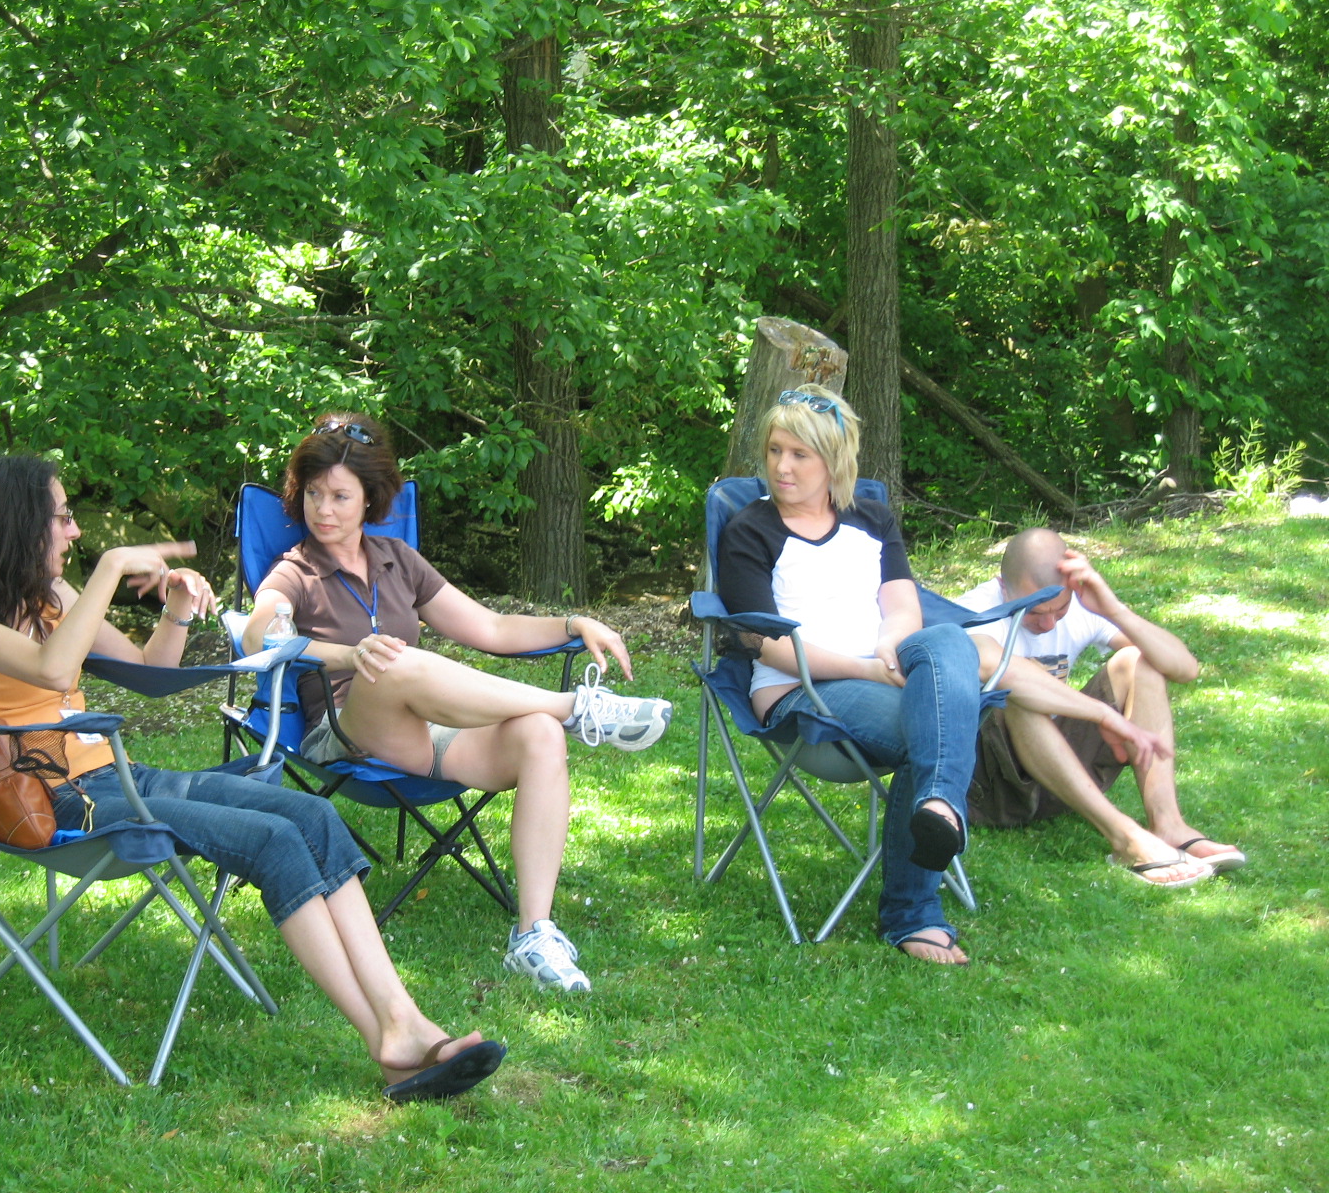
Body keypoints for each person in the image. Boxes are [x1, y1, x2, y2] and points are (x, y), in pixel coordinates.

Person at [0, 454, 505, 1102]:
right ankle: (388, 1039)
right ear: (17, 522)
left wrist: (176, 607)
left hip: (117, 776)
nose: (74, 530)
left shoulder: (52, 598)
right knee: (272, 840)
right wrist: (111, 569)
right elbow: (54, 671)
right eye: (61, 517)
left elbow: (151, 673)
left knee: (312, 814)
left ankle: (405, 1019)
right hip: (56, 801)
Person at [239, 412, 673, 992]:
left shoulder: (397, 559)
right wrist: (349, 654)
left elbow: (491, 628)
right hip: (344, 730)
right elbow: (257, 635)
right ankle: (576, 707)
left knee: (539, 735)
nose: (324, 509)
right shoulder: (296, 570)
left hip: (421, 735)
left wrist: (573, 622)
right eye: (314, 493)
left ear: (370, 499)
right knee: (393, 661)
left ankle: (534, 933)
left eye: (340, 496)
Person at [715, 386, 983, 965]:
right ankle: (912, 913)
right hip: (801, 693)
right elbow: (769, 645)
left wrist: (888, 648)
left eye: (799, 454)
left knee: (947, 640)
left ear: (834, 460)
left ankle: (937, 806)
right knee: (931, 728)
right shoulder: (749, 531)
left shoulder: (872, 519)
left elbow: (902, 605)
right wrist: (867, 670)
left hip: (880, 670)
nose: (782, 467)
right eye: (774, 451)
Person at [960, 528, 1244, 884]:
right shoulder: (974, 610)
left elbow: (1184, 668)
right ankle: (1126, 839)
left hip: (1055, 776)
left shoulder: (1080, 605)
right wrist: (1104, 714)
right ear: (1004, 587)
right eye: (1033, 612)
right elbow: (997, 668)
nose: (1048, 623)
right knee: (1016, 688)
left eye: (1059, 609)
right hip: (986, 790)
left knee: (1138, 661)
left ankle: (1168, 824)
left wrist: (1113, 609)